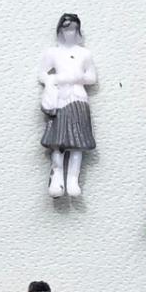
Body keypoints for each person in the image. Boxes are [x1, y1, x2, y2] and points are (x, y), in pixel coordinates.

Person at [38, 13, 98, 197]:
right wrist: (53, 80)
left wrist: (77, 77)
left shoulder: (84, 54)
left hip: (78, 99)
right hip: (60, 100)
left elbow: (92, 77)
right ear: (60, 31)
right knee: (58, 142)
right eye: (66, 29)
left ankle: (73, 179)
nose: (69, 33)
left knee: (78, 144)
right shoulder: (53, 52)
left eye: (72, 29)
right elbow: (42, 73)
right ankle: (56, 176)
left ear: (78, 31)